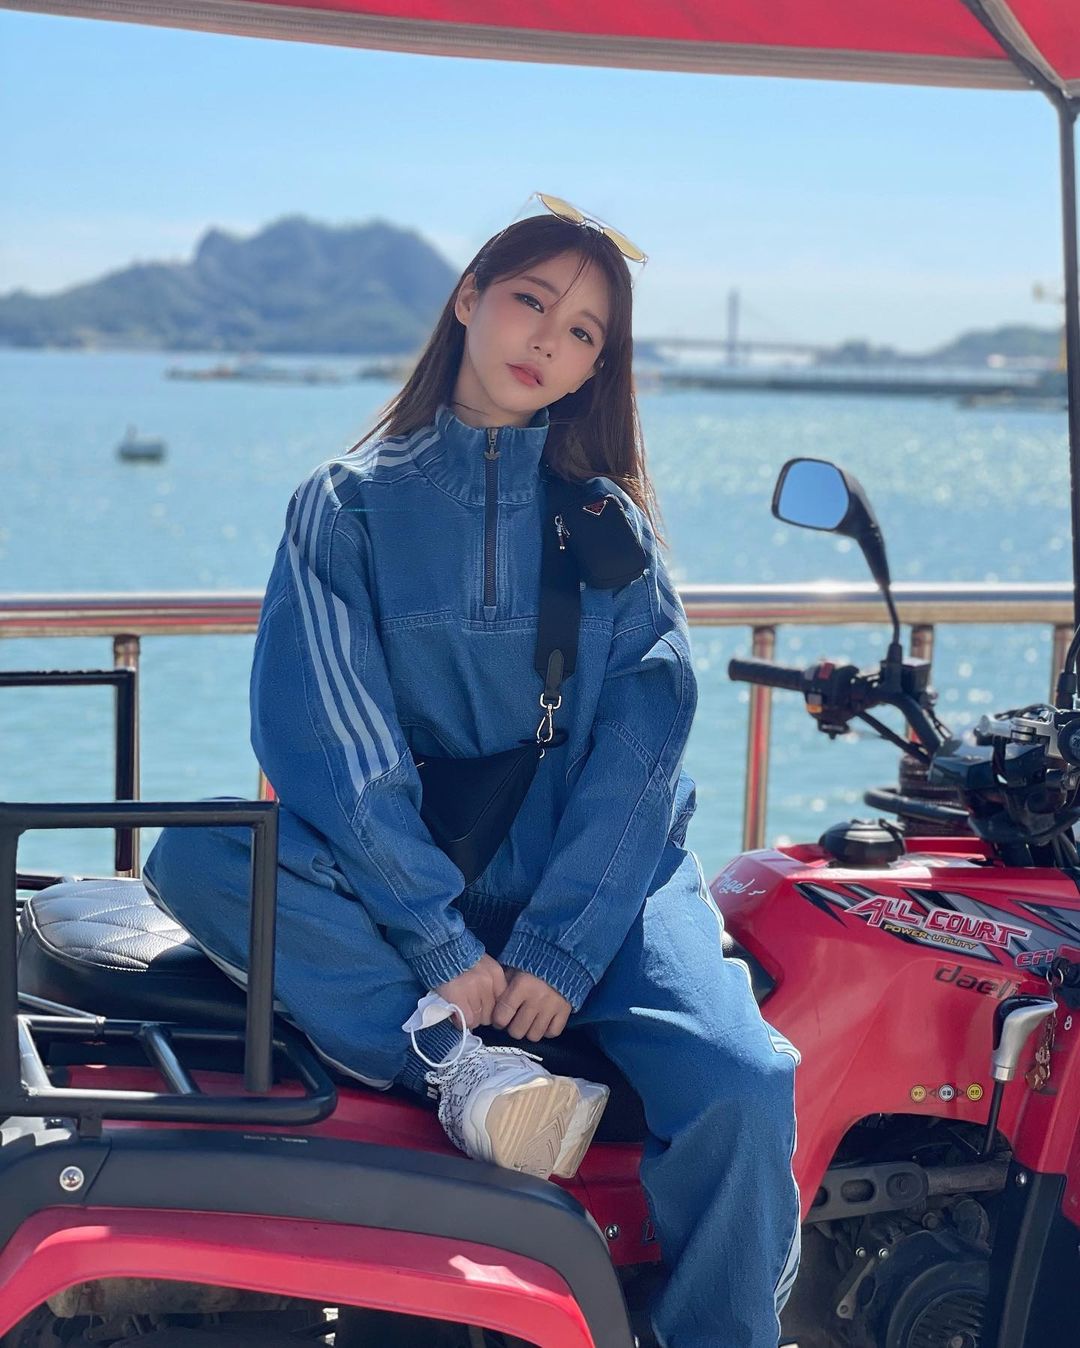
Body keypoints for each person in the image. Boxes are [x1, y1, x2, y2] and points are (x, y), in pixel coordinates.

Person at [143, 198, 800, 1348]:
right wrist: (441, 943)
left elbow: (645, 751)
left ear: (598, 367)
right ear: (468, 299)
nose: (548, 339)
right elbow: (333, 746)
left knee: (745, 1080)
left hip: (602, 891)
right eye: (531, 300)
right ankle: (455, 1063)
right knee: (199, 855)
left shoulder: (607, 524)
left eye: (584, 331)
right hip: (417, 878)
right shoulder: (346, 504)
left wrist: (562, 946)